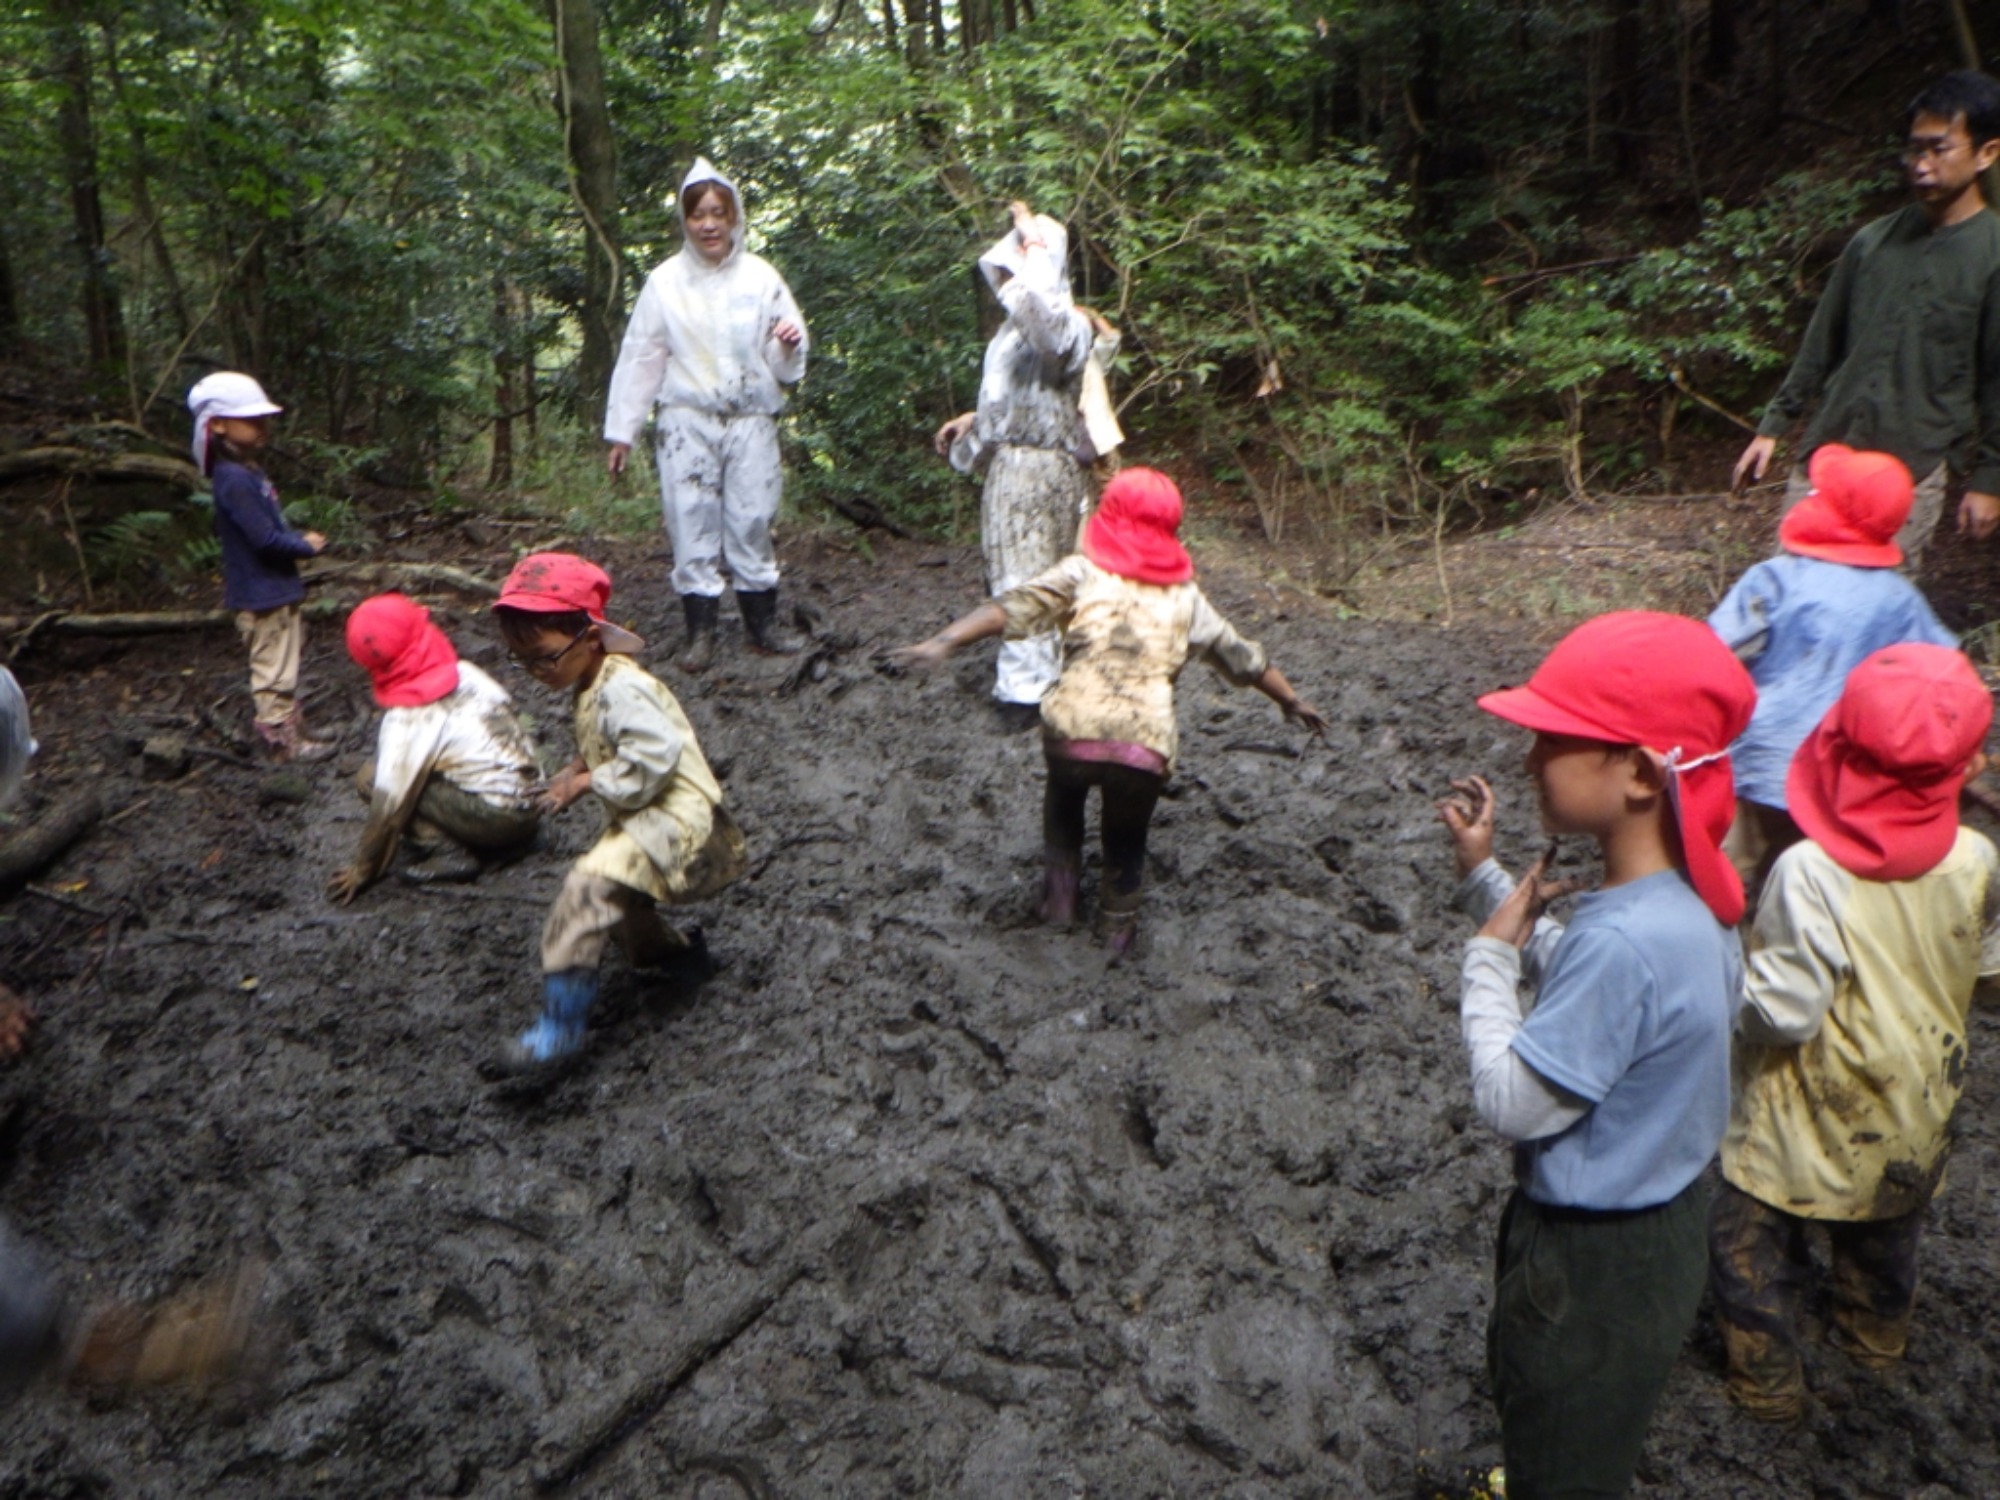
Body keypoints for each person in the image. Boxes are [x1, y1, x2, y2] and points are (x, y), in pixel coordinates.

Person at [1436, 611, 1756, 1499]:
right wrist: (1486, 882)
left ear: (1642, 772)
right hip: (1657, 1232)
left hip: (1590, 1265)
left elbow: (1513, 1099)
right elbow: (1596, 1000)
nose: (1533, 758)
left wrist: (1488, 959)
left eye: (1557, 738)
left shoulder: (1626, 942)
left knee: (1561, 1440)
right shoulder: (1685, 904)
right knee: (1581, 1436)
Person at [1709, 644, 1999, 1423]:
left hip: (1797, 1121)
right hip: (1912, 1115)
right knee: (1885, 1249)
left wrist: (1720, 990)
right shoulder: (1976, 859)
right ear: (1966, 767)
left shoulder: (1810, 871)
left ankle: (1767, 1391)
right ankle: (1875, 1352)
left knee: (1748, 1255)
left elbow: (1783, 1010)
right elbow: (1989, 971)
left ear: (1835, 748)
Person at [887, 468, 1325, 953]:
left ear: (1108, 515)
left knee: (1063, 800)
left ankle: (1059, 903)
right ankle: (1116, 932)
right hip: (1145, 742)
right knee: (1126, 837)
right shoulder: (1186, 598)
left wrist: (941, 643)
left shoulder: (1081, 572)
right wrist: (1291, 700)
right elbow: (1243, 658)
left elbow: (1011, 609)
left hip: (1073, 728)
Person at [1731, 70, 2000, 570]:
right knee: (1789, 592)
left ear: (1986, 153)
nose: (1920, 165)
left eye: (1938, 149)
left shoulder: (1992, 255)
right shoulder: (1871, 244)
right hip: (1829, 454)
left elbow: (1997, 380)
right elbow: (1821, 343)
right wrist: (1773, 427)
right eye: (1913, 149)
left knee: (1876, 616)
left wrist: (1989, 480)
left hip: (1911, 468)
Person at [489, 553, 746, 1070]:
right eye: (523, 661)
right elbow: (604, 737)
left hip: (679, 822)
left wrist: (584, 782)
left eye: (543, 658)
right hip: (647, 816)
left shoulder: (624, 687)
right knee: (619, 896)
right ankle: (674, 959)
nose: (537, 673)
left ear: (589, 638)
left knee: (584, 895)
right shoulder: (589, 680)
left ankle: (559, 1034)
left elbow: (652, 759)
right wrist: (574, 766)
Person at [1709, 444, 1956, 903]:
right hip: (1843, 771)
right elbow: (1944, 672)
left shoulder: (1775, 577)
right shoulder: (1899, 599)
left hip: (1763, 756)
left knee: (1725, 869)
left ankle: (1722, 929)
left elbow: (1716, 651)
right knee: (1812, 876)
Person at [604, 157, 809, 672]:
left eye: (720, 212)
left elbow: (786, 365)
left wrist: (786, 344)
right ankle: (701, 633)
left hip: (750, 418)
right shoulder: (665, 283)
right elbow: (642, 357)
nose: (710, 223)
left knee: (752, 518)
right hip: (685, 419)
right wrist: (622, 432)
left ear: (735, 216)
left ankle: (762, 626)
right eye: (699, 214)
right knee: (689, 518)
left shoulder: (762, 277)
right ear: (685, 220)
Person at [933, 200, 1095, 725]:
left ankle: (1026, 697)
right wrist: (974, 423)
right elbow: (1017, 396)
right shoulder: (1007, 336)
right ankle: (1031, 685)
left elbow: (1044, 328)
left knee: (1030, 580)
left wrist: (1034, 239)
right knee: (1010, 577)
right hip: (1010, 471)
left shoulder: (1071, 326)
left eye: (1028, 258)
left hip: (1043, 475)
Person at [327, 594, 542, 902]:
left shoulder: (407, 720)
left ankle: (448, 852)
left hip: (497, 820)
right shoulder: (469, 674)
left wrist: (363, 868)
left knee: (371, 779)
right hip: (534, 798)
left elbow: (387, 808)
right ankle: (515, 839)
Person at [187, 372, 333, 763]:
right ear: (218, 425)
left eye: (263, 419)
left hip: (276, 586)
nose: (262, 427)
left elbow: (269, 527)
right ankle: (280, 741)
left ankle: (294, 727)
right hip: (259, 592)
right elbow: (264, 540)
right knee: (271, 670)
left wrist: (296, 538)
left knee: (286, 664)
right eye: (252, 420)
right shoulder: (232, 478)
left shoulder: (250, 471)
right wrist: (303, 546)